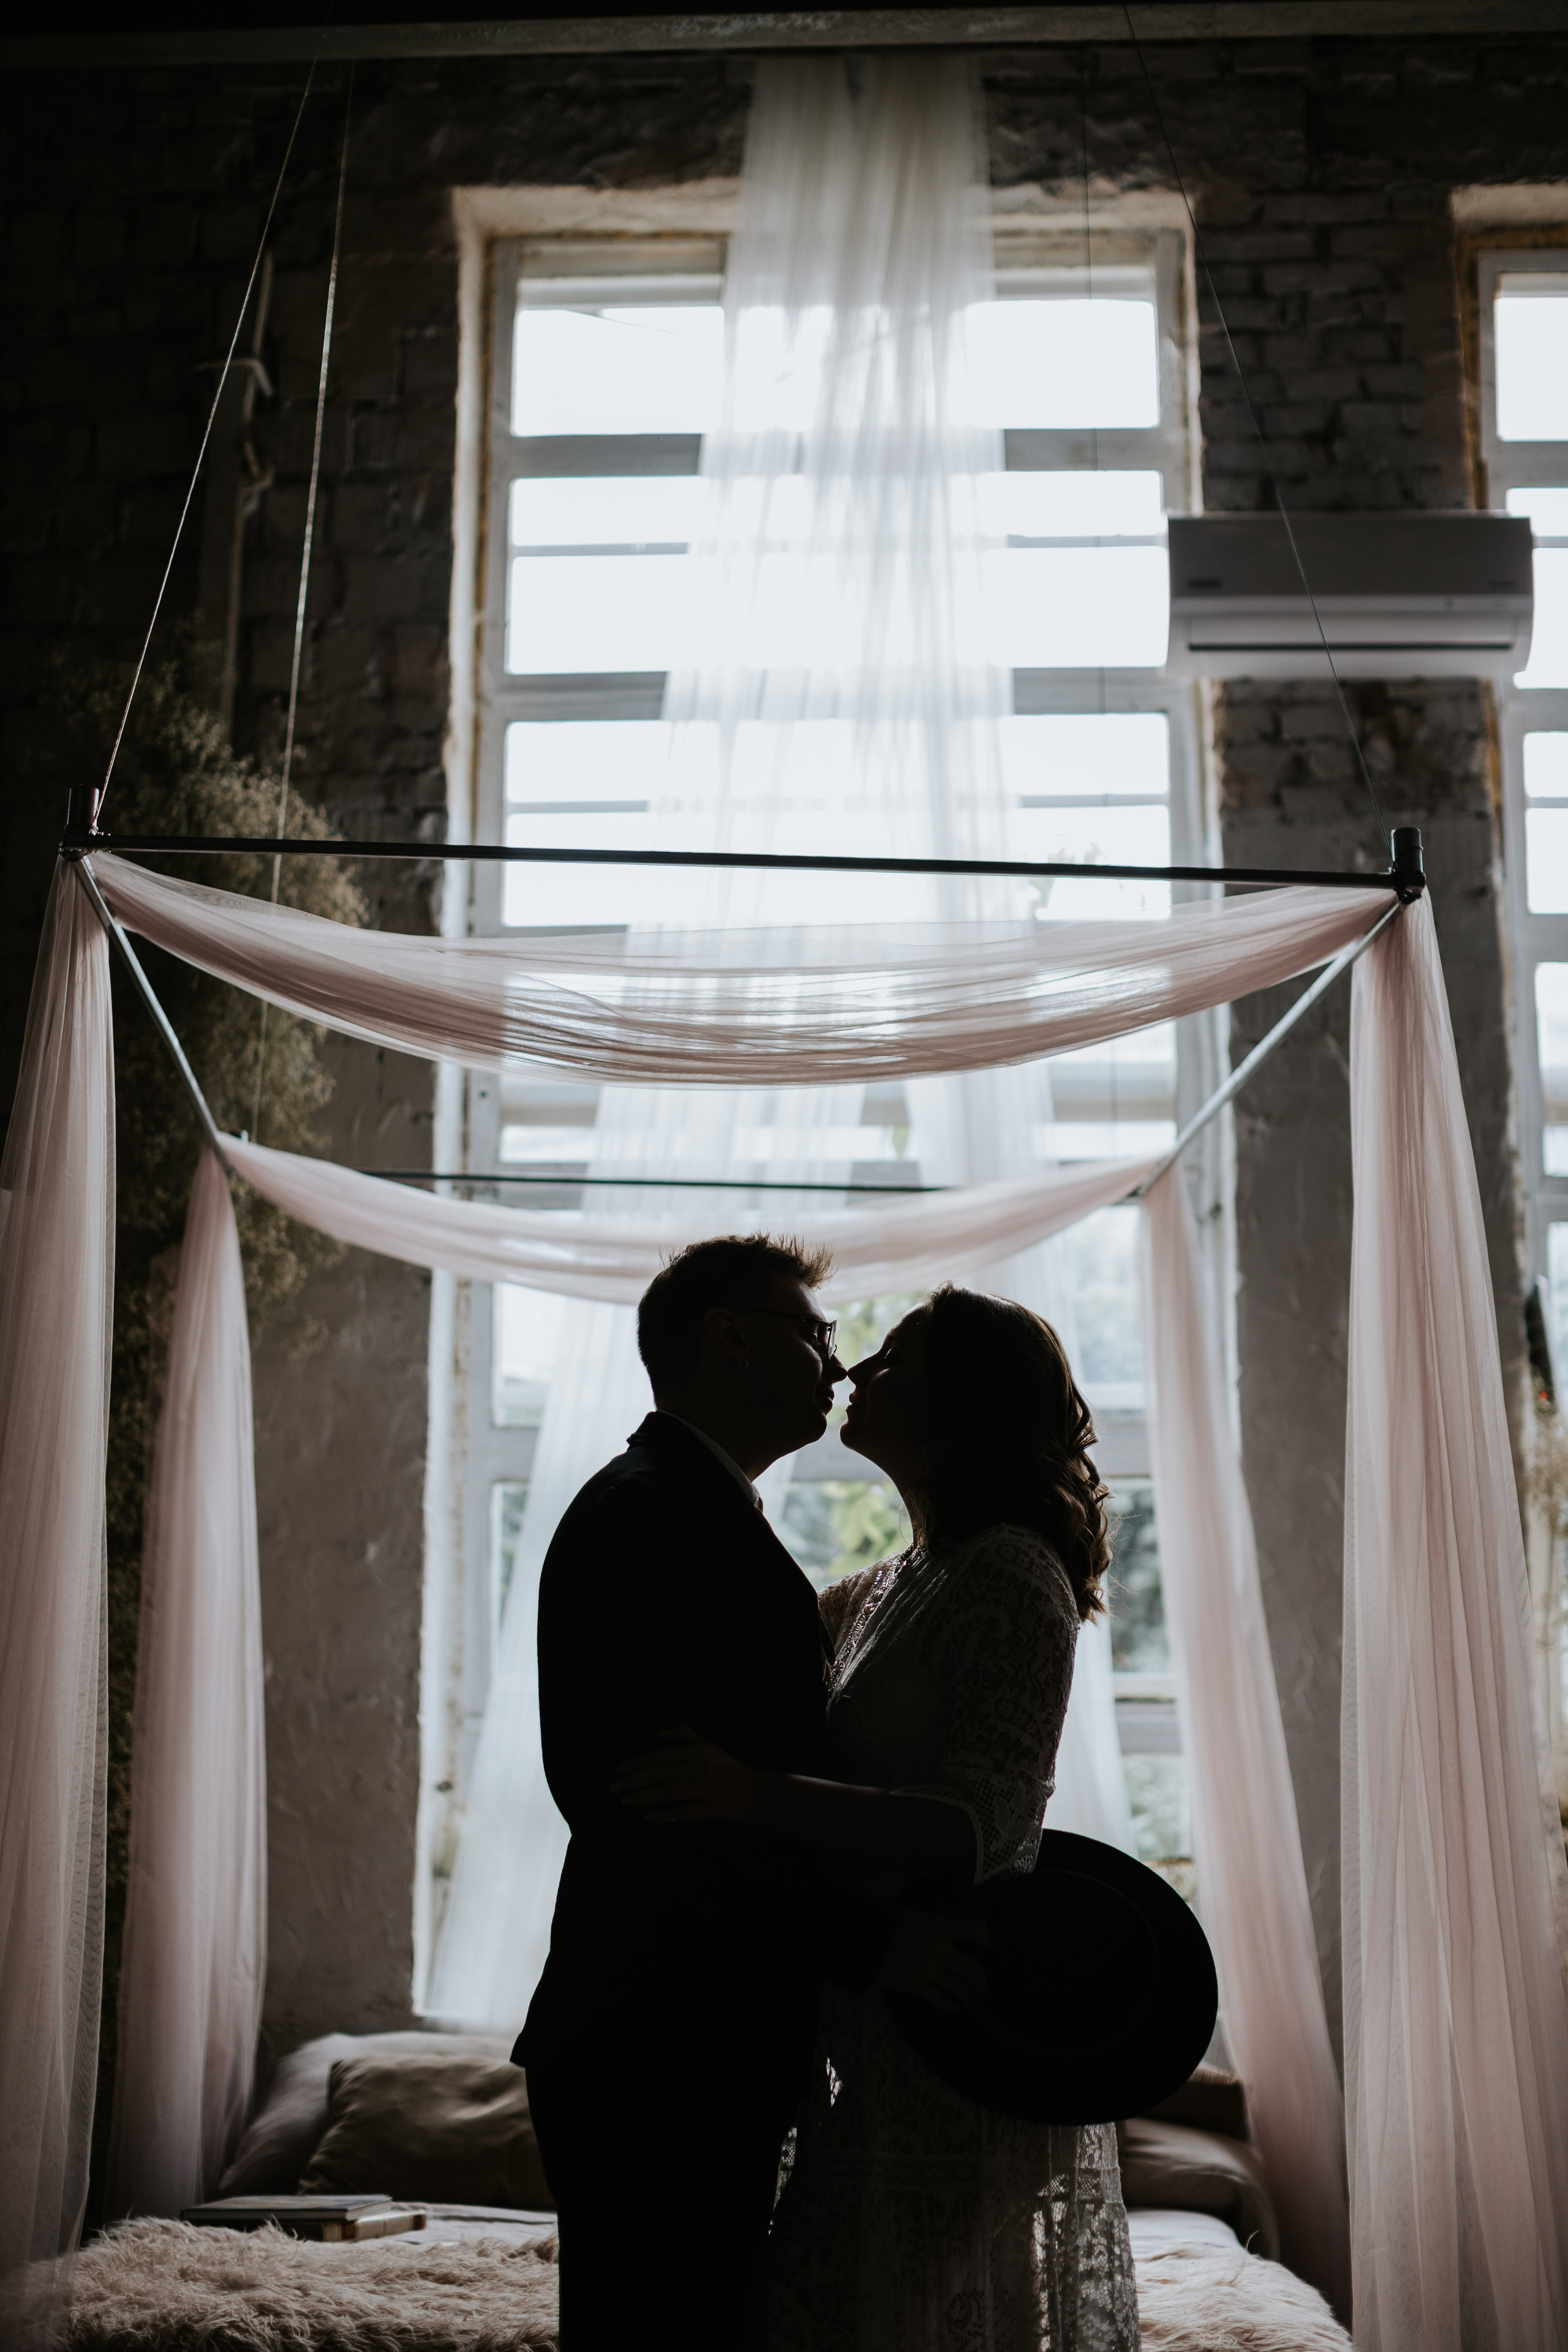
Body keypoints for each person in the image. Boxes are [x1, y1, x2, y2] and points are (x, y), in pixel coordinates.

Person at [616, 1284, 1140, 2352]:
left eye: (893, 1361)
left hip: (956, 2037)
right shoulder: (889, 1584)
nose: (855, 1373)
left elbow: (975, 1828)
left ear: (966, 1401)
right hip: (872, 2027)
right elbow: (745, 1641)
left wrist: (747, 1795)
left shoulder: (1012, 1578)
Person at [515, 1236, 983, 2352]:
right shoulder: (652, 1517)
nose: (837, 1366)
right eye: (816, 1336)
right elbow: (661, 1820)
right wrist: (874, 1945)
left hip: (684, 2040)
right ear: (727, 1335)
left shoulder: (693, 1510)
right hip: (661, 2048)